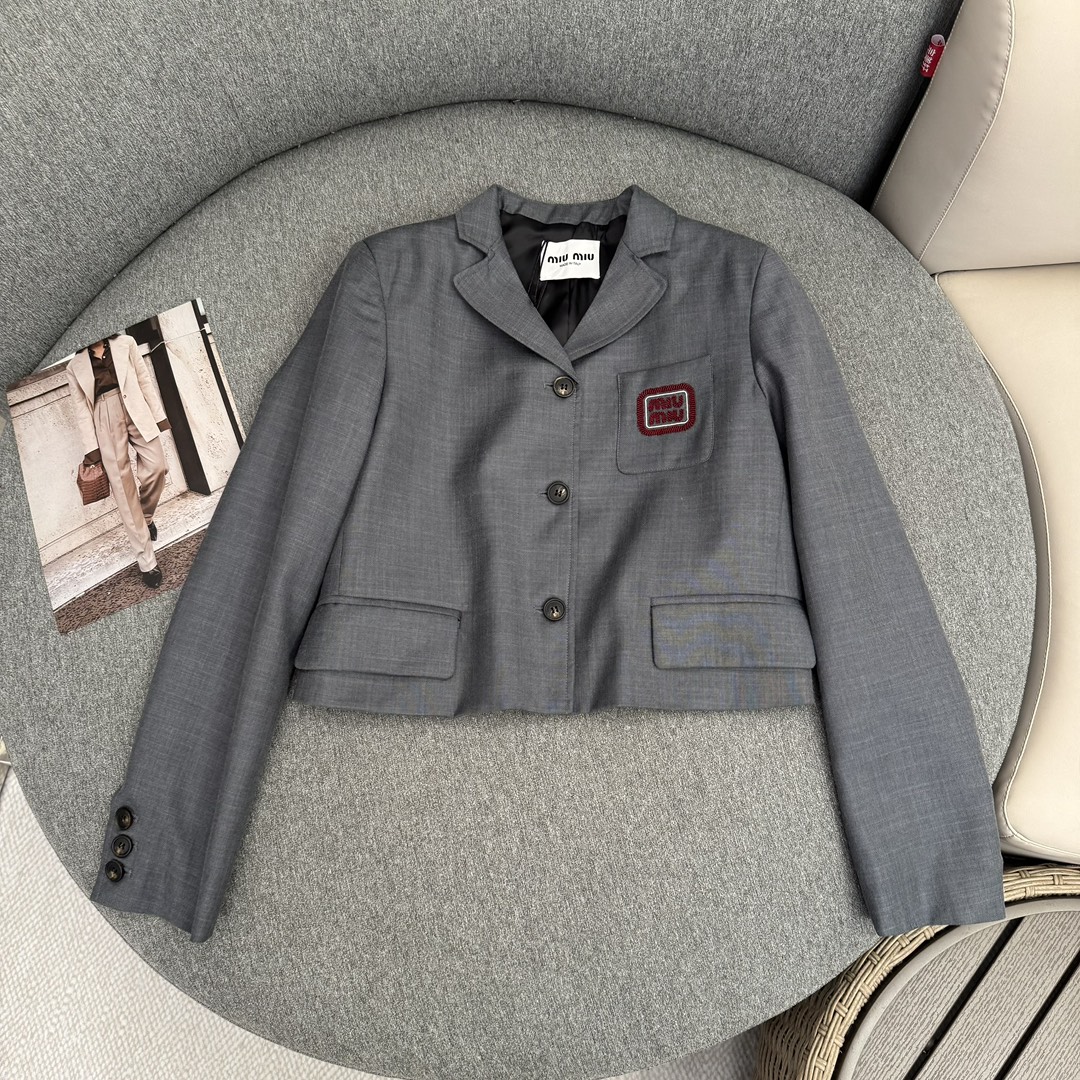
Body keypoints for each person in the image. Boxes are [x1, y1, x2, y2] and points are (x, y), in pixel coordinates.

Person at [66, 334, 170, 587]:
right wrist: (91, 448)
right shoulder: (74, 365)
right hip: (104, 417)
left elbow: (144, 380)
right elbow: (81, 410)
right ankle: (147, 562)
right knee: (123, 490)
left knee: (157, 467)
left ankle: (145, 517)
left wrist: (158, 416)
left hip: (136, 409)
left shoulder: (126, 343)